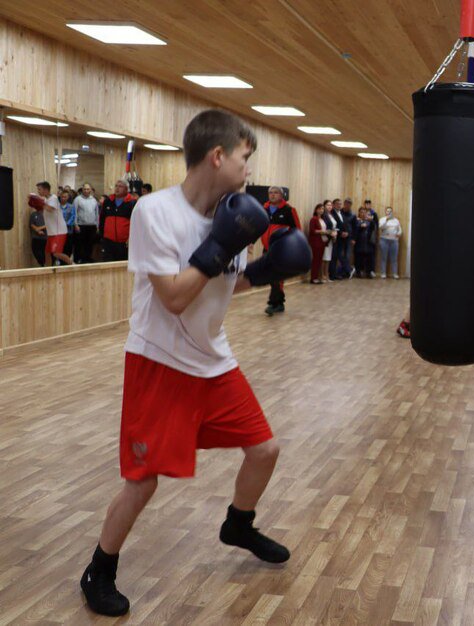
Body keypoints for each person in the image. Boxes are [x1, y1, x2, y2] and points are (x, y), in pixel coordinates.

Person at [78, 109, 312, 618]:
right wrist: (221, 243)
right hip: (158, 362)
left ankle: (238, 525)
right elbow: (175, 298)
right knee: (144, 480)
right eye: (245, 158)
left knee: (265, 450)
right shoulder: (155, 212)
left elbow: (225, 282)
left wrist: (268, 271)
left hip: (213, 358)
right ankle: (100, 569)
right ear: (218, 156)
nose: (250, 170)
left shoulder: (233, 215)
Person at [259, 186, 300, 315]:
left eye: (275, 193)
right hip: (267, 248)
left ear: (281, 195)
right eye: (270, 193)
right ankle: (279, 303)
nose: (272, 195)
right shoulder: (263, 209)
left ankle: (274, 303)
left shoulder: (289, 210)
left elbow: (297, 230)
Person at [32, 181, 73, 266]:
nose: (38, 191)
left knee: (56, 253)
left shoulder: (53, 198)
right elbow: (42, 206)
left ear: (46, 190)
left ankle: (72, 265)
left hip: (59, 232)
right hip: (52, 232)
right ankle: (48, 269)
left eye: (39, 189)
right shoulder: (46, 199)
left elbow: (50, 209)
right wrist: (34, 199)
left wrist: (38, 201)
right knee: (47, 252)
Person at [100, 179, 136, 261]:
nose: (117, 188)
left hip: (124, 243)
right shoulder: (108, 201)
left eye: (120, 186)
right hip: (108, 242)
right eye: (116, 186)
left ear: (126, 189)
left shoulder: (132, 203)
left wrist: (131, 239)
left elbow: (136, 223)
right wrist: (102, 236)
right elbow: (102, 219)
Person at [74, 183, 100, 263]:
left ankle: (87, 259)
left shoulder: (94, 200)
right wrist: (75, 224)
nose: (86, 191)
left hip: (92, 226)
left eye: (88, 189)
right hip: (81, 225)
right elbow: (74, 212)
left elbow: (96, 213)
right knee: (80, 244)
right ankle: (78, 260)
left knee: (90, 244)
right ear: (82, 190)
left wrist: (97, 225)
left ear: (90, 190)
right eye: (84, 189)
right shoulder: (77, 199)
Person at [378, 206, 402, 278]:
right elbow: (381, 227)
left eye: (390, 211)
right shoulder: (382, 219)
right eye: (387, 211)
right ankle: (383, 273)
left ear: (392, 212)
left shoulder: (396, 220)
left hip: (394, 241)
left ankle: (395, 273)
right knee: (383, 257)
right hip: (384, 240)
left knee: (394, 258)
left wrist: (399, 233)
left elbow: (399, 229)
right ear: (385, 212)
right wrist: (386, 220)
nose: (389, 212)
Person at [307, 203, 328, 284]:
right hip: (316, 241)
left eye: (322, 209)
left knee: (319, 260)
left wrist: (327, 232)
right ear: (316, 210)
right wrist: (322, 231)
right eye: (319, 209)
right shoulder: (313, 219)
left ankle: (317, 277)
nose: (321, 210)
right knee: (315, 260)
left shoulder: (322, 219)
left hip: (322, 241)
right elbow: (312, 230)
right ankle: (313, 278)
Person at [352, 206, 375, 278]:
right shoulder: (356, 221)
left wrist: (371, 220)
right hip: (358, 242)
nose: (363, 214)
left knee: (369, 258)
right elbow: (354, 230)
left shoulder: (369, 221)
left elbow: (373, 227)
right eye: (361, 212)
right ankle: (358, 272)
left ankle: (368, 272)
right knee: (358, 258)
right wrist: (360, 226)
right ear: (359, 213)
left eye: (364, 212)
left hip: (368, 242)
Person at [337, 198, 354, 278]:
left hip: (349, 238)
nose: (347, 205)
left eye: (349, 204)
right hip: (340, 237)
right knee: (339, 255)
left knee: (347, 256)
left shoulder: (353, 215)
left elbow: (355, 228)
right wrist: (341, 233)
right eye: (346, 203)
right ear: (344, 204)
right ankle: (349, 269)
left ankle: (345, 272)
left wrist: (353, 238)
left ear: (351, 205)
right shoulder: (339, 213)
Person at [60, 190, 77, 261]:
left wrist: (65, 224)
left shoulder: (71, 206)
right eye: (62, 197)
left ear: (68, 197)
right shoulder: (57, 207)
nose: (63, 198)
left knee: (68, 247)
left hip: (68, 231)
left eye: (65, 197)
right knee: (60, 248)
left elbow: (73, 217)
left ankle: (67, 261)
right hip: (59, 231)